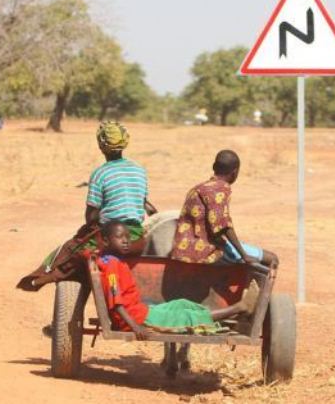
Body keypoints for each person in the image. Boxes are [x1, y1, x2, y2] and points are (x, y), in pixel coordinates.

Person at [17, 120, 157, 292]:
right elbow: (145, 204)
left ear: (100, 145)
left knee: (70, 250)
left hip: (111, 235)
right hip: (136, 235)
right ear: (125, 143)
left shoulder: (100, 174)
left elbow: (92, 215)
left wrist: (88, 228)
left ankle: (42, 278)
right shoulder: (139, 170)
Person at [97, 221, 260, 340]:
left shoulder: (114, 261)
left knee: (182, 304)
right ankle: (239, 307)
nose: (126, 241)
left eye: (128, 237)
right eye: (120, 237)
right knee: (185, 317)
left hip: (142, 312)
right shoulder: (111, 267)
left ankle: (226, 315)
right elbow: (116, 304)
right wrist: (135, 327)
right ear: (105, 241)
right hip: (138, 319)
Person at [171, 150, 278, 275]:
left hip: (182, 248)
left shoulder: (198, 188)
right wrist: (244, 255)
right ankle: (260, 295)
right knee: (272, 259)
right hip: (205, 250)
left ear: (214, 167)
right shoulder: (220, 188)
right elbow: (223, 226)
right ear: (235, 173)